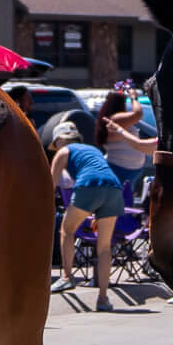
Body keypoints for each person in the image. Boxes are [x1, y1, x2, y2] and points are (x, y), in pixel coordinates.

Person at [55, 127, 127, 309]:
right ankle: (103, 298)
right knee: (104, 247)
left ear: (59, 141)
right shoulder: (92, 150)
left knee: (67, 229)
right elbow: (100, 174)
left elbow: (51, 183)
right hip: (113, 188)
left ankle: (67, 277)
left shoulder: (63, 151)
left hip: (88, 185)